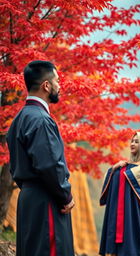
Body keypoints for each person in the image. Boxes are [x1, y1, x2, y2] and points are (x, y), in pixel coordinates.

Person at [6, 60, 75, 256]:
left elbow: (15, 167)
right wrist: (66, 196)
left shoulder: (19, 119)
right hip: (47, 200)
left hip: (28, 199)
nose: (60, 86)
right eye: (57, 81)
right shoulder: (41, 120)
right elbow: (50, 165)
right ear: (46, 85)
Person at [99, 131, 140, 256]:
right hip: (122, 215)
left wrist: (124, 170)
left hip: (139, 212)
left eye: (137, 142)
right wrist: (113, 169)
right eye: (132, 141)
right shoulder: (123, 167)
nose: (133, 144)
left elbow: (133, 176)